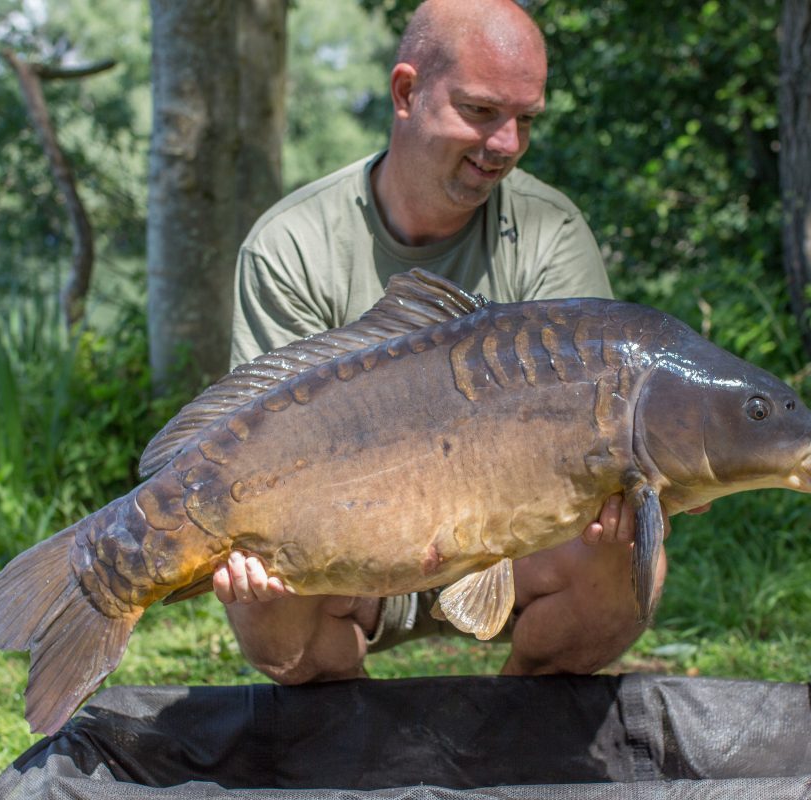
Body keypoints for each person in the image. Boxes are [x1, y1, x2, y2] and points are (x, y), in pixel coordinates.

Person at [212, 0, 669, 685]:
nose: (508, 144)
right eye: (482, 112)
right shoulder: (293, 245)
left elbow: (595, 425)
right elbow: (256, 449)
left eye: (526, 120)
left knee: (634, 557)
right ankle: (350, 745)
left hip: (514, 538)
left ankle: (507, 740)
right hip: (350, 540)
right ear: (406, 93)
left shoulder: (549, 232)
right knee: (263, 598)